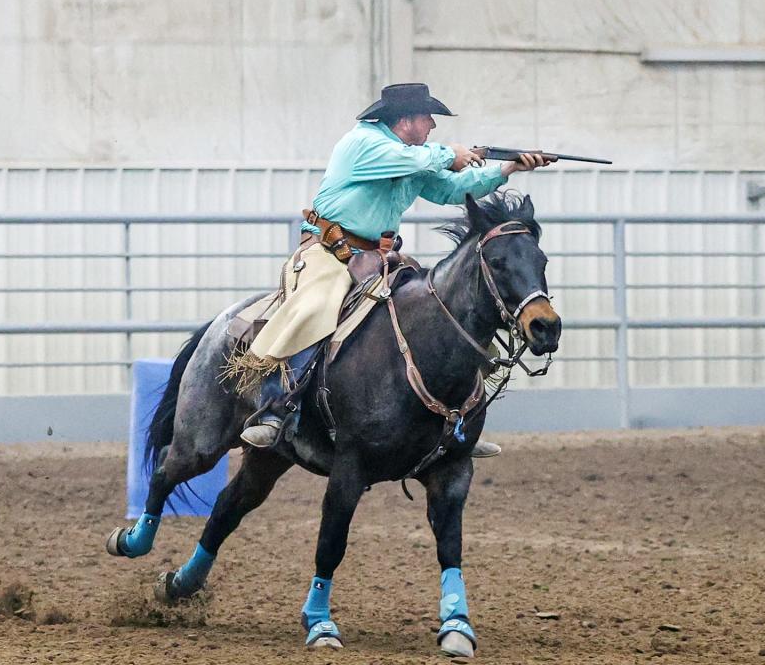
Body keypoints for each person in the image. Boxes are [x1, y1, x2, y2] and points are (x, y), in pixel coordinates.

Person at [235, 83, 552, 455]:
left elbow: (450, 189)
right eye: (427, 118)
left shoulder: (411, 153)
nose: (432, 126)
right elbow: (421, 162)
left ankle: (458, 418)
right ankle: (275, 407)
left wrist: (508, 168)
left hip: (379, 257)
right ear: (405, 120)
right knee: (314, 306)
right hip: (328, 251)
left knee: (439, 310)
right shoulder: (364, 144)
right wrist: (451, 153)